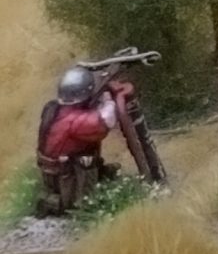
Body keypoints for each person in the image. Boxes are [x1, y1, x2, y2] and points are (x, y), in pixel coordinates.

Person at [33, 54, 166, 220]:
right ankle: (84, 204)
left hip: (54, 174)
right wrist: (108, 99)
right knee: (86, 162)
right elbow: (105, 121)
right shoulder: (74, 120)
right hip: (67, 177)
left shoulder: (55, 109)